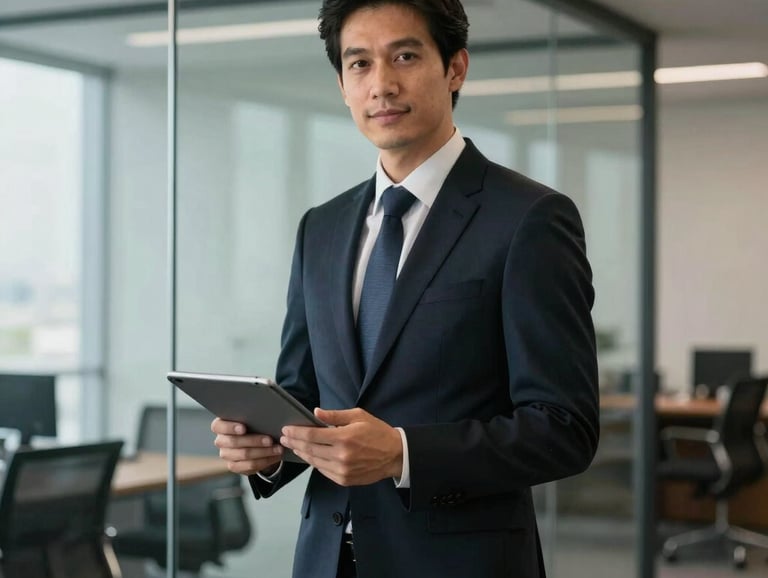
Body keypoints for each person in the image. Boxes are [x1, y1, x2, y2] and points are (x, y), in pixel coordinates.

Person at [212, 1, 599, 577]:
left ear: (456, 68)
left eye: (406, 56)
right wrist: (268, 450)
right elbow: (306, 392)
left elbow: (565, 427)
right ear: (343, 85)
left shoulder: (530, 218)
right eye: (360, 64)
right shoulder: (321, 227)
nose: (382, 85)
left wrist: (402, 452)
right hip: (325, 560)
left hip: (461, 561)